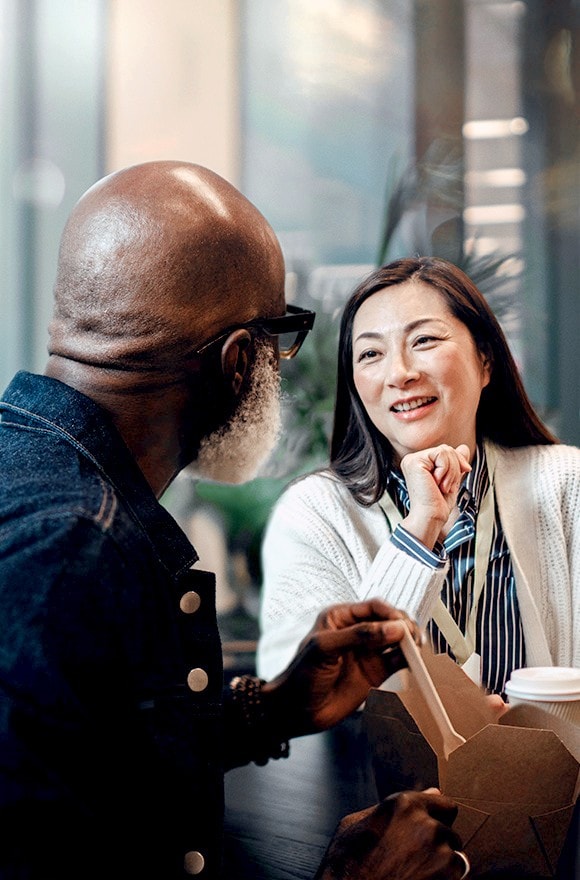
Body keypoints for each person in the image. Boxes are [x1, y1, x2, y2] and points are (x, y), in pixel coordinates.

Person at [0, 164, 471, 880]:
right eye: (282, 340)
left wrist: (268, 710)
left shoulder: (36, 479)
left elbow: (93, 755)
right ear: (239, 361)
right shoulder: (78, 551)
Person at [257, 256, 580, 700]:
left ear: (485, 360)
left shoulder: (568, 485)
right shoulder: (314, 514)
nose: (400, 373)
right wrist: (419, 531)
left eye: (424, 340)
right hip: (377, 773)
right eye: (371, 353)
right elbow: (303, 703)